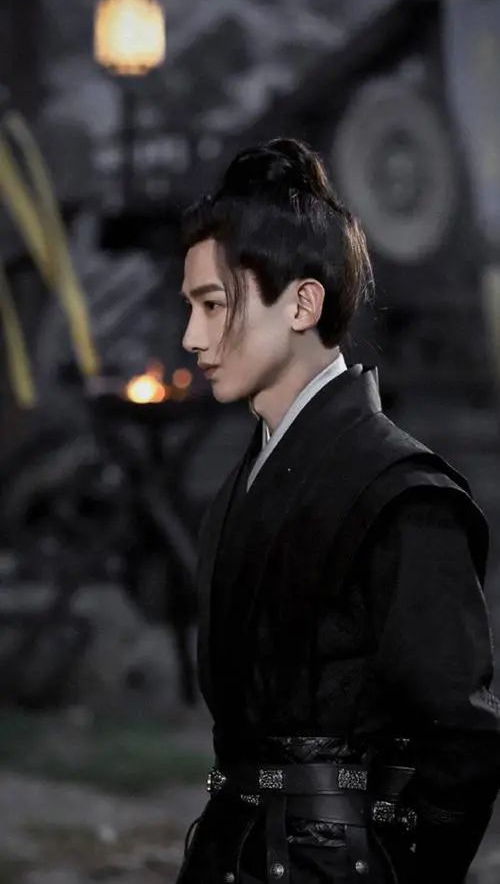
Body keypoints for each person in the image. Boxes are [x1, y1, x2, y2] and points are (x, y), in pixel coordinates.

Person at [177, 138, 500, 884]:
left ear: (303, 302)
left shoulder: (401, 495)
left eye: (214, 305)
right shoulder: (239, 489)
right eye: (191, 307)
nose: (191, 336)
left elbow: (462, 744)